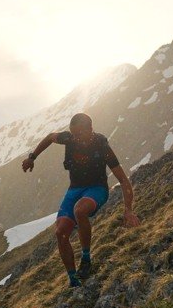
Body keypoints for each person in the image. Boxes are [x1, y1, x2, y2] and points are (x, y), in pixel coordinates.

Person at [21, 112, 140, 288]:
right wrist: (32, 158)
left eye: (80, 134)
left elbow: (123, 180)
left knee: (79, 210)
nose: (76, 138)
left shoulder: (102, 146)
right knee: (60, 232)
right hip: (74, 189)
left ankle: (86, 258)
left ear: (91, 129)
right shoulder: (68, 139)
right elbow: (49, 137)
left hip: (97, 189)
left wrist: (128, 210)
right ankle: (73, 280)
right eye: (73, 134)